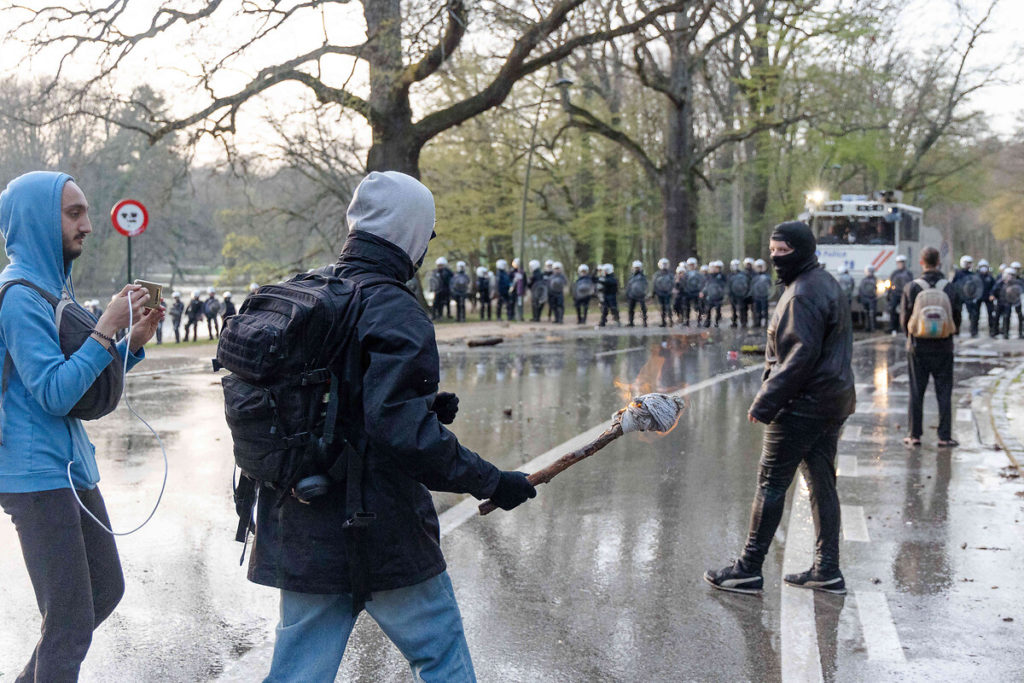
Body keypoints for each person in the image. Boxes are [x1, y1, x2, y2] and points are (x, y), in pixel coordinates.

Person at [246, 171, 536, 682]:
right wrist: (492, 481)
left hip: (301, 519)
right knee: (442, 657)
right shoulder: (397, 311)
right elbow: (402, 435)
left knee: (298, 673)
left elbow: (330, 399)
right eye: (428, 231)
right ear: (410, 233)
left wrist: (422, 404)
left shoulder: (306, 292)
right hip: (378, 528)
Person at [0, 171, 163, 681]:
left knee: (105, 590)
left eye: (87, 213)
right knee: (70, 623)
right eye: (74, 214)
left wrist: (128, 344)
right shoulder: (20, 297)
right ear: (37, 219)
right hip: (35, 476)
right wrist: (106, 328)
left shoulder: (54, 289)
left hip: (69, 467)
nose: (89, 226)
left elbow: (82, 384)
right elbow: (52, 392)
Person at [704, 220, 855, 596]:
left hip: (801, 404)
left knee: (771, 485)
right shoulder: (823, 283)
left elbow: (800, 356)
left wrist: (766, 400)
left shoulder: (802, 293)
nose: (775, 258)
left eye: (783, 251)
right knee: (822, 484)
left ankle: (748, 569)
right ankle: (827, 569)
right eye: (772, 251)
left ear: (802, 251)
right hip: (830, 400)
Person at [900, 246, 961, 447]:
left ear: (921, 262)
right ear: (939, 263)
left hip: (918, 346)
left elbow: (904, 319)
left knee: (916, 392)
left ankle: (914, 434)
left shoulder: (912, 287)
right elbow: (957, 317)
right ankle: (944, 436)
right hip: (944, 347)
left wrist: (910, 335)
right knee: (944, 392)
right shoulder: (949, 287)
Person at [952, 255, 983, 337]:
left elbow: (976, 285)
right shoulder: (958, 273)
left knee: (973, 314)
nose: (969, 265)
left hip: (969, 297)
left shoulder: (973, 274)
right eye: (967, 263)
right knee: (957, 313)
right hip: (959, 297)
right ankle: (956, 330)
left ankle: (974, 331)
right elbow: (953, 285)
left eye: (970, 263)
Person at [991, 267, 1022, 339]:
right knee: (996, 317)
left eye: (1012, 275)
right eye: (1009, 275)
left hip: (1008, 303)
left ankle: (1006, 333)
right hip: (1000, 302)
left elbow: (1018, 293)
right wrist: (992, 295)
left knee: (1007, 317)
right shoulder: (1000, 283)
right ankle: (994, 331)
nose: (1010, 277)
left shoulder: (1015, 284)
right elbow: (994, 291)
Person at [887, 255, 914, 335]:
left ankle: (904, 327)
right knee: (893, 310)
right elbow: (890, 283)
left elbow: (911, 284)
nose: (900, 264)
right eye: (899, 263)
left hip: (904, 294)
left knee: (906, 311)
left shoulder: (908, 273)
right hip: (895, 294)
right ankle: (893, 328)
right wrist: (889, 293)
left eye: (901, 263)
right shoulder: (894, 273)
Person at [700, 260, 726, 328]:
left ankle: (717, 322)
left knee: (718, 310)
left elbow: (725, 286)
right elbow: (706, 285)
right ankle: (707, 322)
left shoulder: (722, 276)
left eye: (717, 268)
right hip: (710, 296)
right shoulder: (709, 276)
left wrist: (723, 294)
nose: (716, 269)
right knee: (708, 309)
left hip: (718, 296)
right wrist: (703, 292)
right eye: (715, 268)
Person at [679, 258, 703, 327]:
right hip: (688, 293)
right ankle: (687, 321)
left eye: (692, 265)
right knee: (686, 307)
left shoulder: (698, 274)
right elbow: (683, 284)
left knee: (698, 307)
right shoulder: (685, 274)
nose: (691, 266)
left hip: (696, 292)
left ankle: (699, 321)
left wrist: (700, 291)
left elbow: (701, 283)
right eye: (690, 265)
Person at [625, 260, 649, 328]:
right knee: (630, 309)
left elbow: (646, 285)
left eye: (638, 268)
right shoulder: (631, 277)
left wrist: (645, 293)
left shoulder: (643, 276)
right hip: (632, 295)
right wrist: (627, 293)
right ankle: (631, 322)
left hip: (641, 295)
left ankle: (645, 322)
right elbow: (629, 285)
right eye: (635, 268)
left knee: (643, 309)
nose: (636, 269)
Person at [727, 259, 750, 328]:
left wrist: (746, 293)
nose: (735, 267)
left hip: (742, 294)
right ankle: (734, 322)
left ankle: (744, 322)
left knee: (743, 308)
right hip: (733, 294)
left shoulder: (744, 274)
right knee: (733, 309)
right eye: (734, 265)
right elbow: (728, 285)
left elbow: (747, 284)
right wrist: (729, 294)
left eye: (736, 265)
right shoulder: (730, 275)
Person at [978, 260, 997, 337]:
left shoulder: (990, 277)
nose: (983, 269)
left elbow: (994, 287)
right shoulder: (976, 276)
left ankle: (992, 330)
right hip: (978, 297)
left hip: (988, 298)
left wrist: (992, 294)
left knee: (991, 314)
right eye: (982, 267)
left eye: (985, 267)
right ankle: (974, 331)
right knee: (975, 314)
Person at [653, 258, 674, 327]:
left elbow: (673, 283)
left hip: (668, 293)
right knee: (662, 307)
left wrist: (672, 291)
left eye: (665, 264)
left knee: (668, 307)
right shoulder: (657, 274)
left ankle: (670, 320)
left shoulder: (670, 274)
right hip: (660, 293)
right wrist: (654, 292)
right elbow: (654, 283)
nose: (664, 265)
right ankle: (663, 321)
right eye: (663, 264)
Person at [751, 259, 772, 328]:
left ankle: (765, 322)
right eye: (758, 267)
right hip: (756, 296)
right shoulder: (754, 276)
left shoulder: (767, 276)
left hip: (764, 296)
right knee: (757, 310)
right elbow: (752, 286)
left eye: (761, 267)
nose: (759, 268)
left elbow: (770, 285)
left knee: (765, 310)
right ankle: (757, 323)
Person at [429, 257, 452, 321]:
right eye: (439, 265)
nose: (440, 267)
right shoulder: (435, 272)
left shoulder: (448, 272)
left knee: (443, 304)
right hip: (437, 291)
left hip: (445, 291)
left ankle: (441, 316)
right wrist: (432, 288)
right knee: (435, 303)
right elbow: (432, 281)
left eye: (441, 265)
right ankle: (434, 316)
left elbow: (451, 281)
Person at [858, 265, 878, 332]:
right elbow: (861, 289)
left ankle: (873, 328)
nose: (869, 273)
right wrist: (860, 297)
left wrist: (876, 296)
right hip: (865, 298)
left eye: (870, 271)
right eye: (868, 271)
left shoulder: (876, 280)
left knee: (872, 314)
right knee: (866, 313)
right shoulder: (864, 280)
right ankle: (867, 327)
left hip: (872, 299)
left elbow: (879, 290)